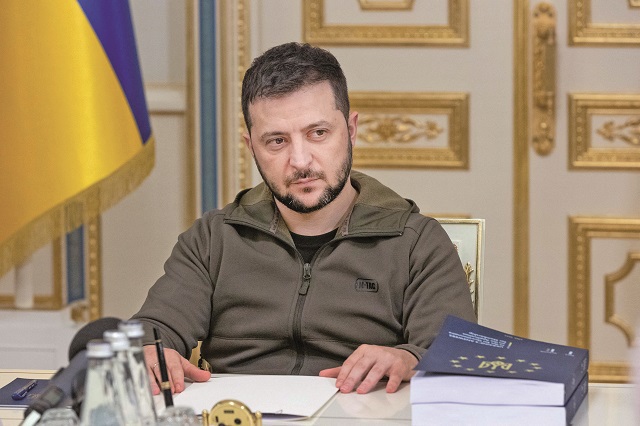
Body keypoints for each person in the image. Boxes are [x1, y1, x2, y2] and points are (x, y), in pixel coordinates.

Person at [132, 41, 476, 396]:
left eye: (318, 133)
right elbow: (153, 329)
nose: (300, 161)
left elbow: (455, 355)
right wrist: (148, 350)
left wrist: (408, 358)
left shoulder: (417, 242)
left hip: (365, 412)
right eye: (276, 141)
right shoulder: (212, 238)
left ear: (351, 130)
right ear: (251, 148)